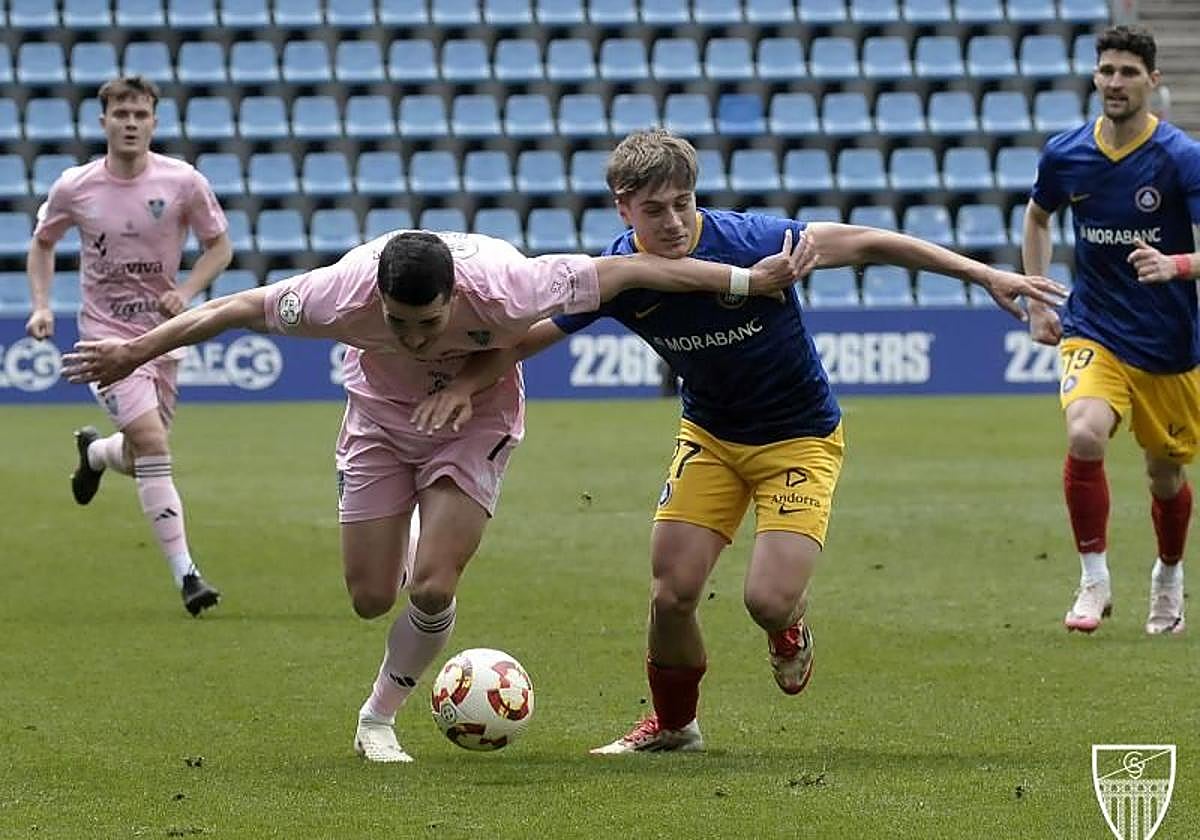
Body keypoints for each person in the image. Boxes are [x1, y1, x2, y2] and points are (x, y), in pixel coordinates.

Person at [410, 129, 1069, 755]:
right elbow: (530, 337)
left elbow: (868, 241)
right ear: (623, 207)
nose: (671, 222)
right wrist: (468, 383)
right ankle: (674, 727)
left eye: (682, 204)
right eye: (653, 209)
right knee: (671, 594)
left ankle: (788, 629)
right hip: (712, 437)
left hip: (799, 439)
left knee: (766, 599)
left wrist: (987, 275)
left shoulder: (752, 240)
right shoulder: (619, 272)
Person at [63, 228, 814, 762]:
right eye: (398, 324)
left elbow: (635, 273)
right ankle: (415, 544)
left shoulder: (512, 282)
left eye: (428, 324)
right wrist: (134, 350)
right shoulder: (336, 294)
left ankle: (377, 718)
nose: (415, 338)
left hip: (474, 421)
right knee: (367, 595)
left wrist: (746, 282)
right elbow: (232, 309)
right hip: (379, 424)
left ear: (456, 296)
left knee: (430, 586)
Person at [25, 75, 232, 616]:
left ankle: (96, 453)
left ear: (155, 122)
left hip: (162, 337)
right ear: (104, 123)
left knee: (142, 452)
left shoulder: (183, 182)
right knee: (154, 445)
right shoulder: (76, 186)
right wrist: (42, 304)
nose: (131, 123)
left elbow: (220, 246)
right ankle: (188, 575)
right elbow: (42, 243)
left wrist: (186, 292)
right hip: (104, 336)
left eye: (141, 115)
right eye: (121, 115)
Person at [1023, 25, 1200, 636]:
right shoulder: (1066, 153)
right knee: (1085, 434)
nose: (1115, 83)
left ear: (1153, 80)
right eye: (1107, 71)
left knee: (1165, 473)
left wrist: (1176, 265)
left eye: (1128, 72)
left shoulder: (1180, 158)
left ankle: (1169, 576)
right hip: (1093, 327)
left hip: (1168, 345)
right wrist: (1038, 297)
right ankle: (1093, 577)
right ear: (1095, 77)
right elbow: (1039, 217)